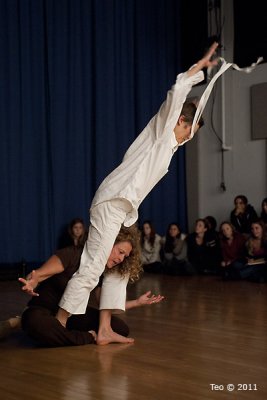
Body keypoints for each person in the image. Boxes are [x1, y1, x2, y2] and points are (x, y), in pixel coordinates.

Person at [56, 42, 220, 329]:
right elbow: (178, 91)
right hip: (111, 202)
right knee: (94, 266)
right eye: (189, 131)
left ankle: (105, 328)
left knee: (124, 259)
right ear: (180, 120)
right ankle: (60, 321)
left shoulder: (170, 145)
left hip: (124, 211)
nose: (188, 138)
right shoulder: (161, 129)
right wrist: (199, 70)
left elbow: (187, 123)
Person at [0, 226, 164, 346]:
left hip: (72, 316)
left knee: (120, 328)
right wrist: (32, 281)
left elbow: (104, 304)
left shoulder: (101, 270)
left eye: (125, 256)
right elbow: (39, 274)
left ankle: (64, 334)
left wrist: (137, 303)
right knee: (35, 322)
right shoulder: (72, 254)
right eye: (120, 252)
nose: (121, 259)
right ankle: (86, 337)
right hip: (43, 311)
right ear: (107, 243)